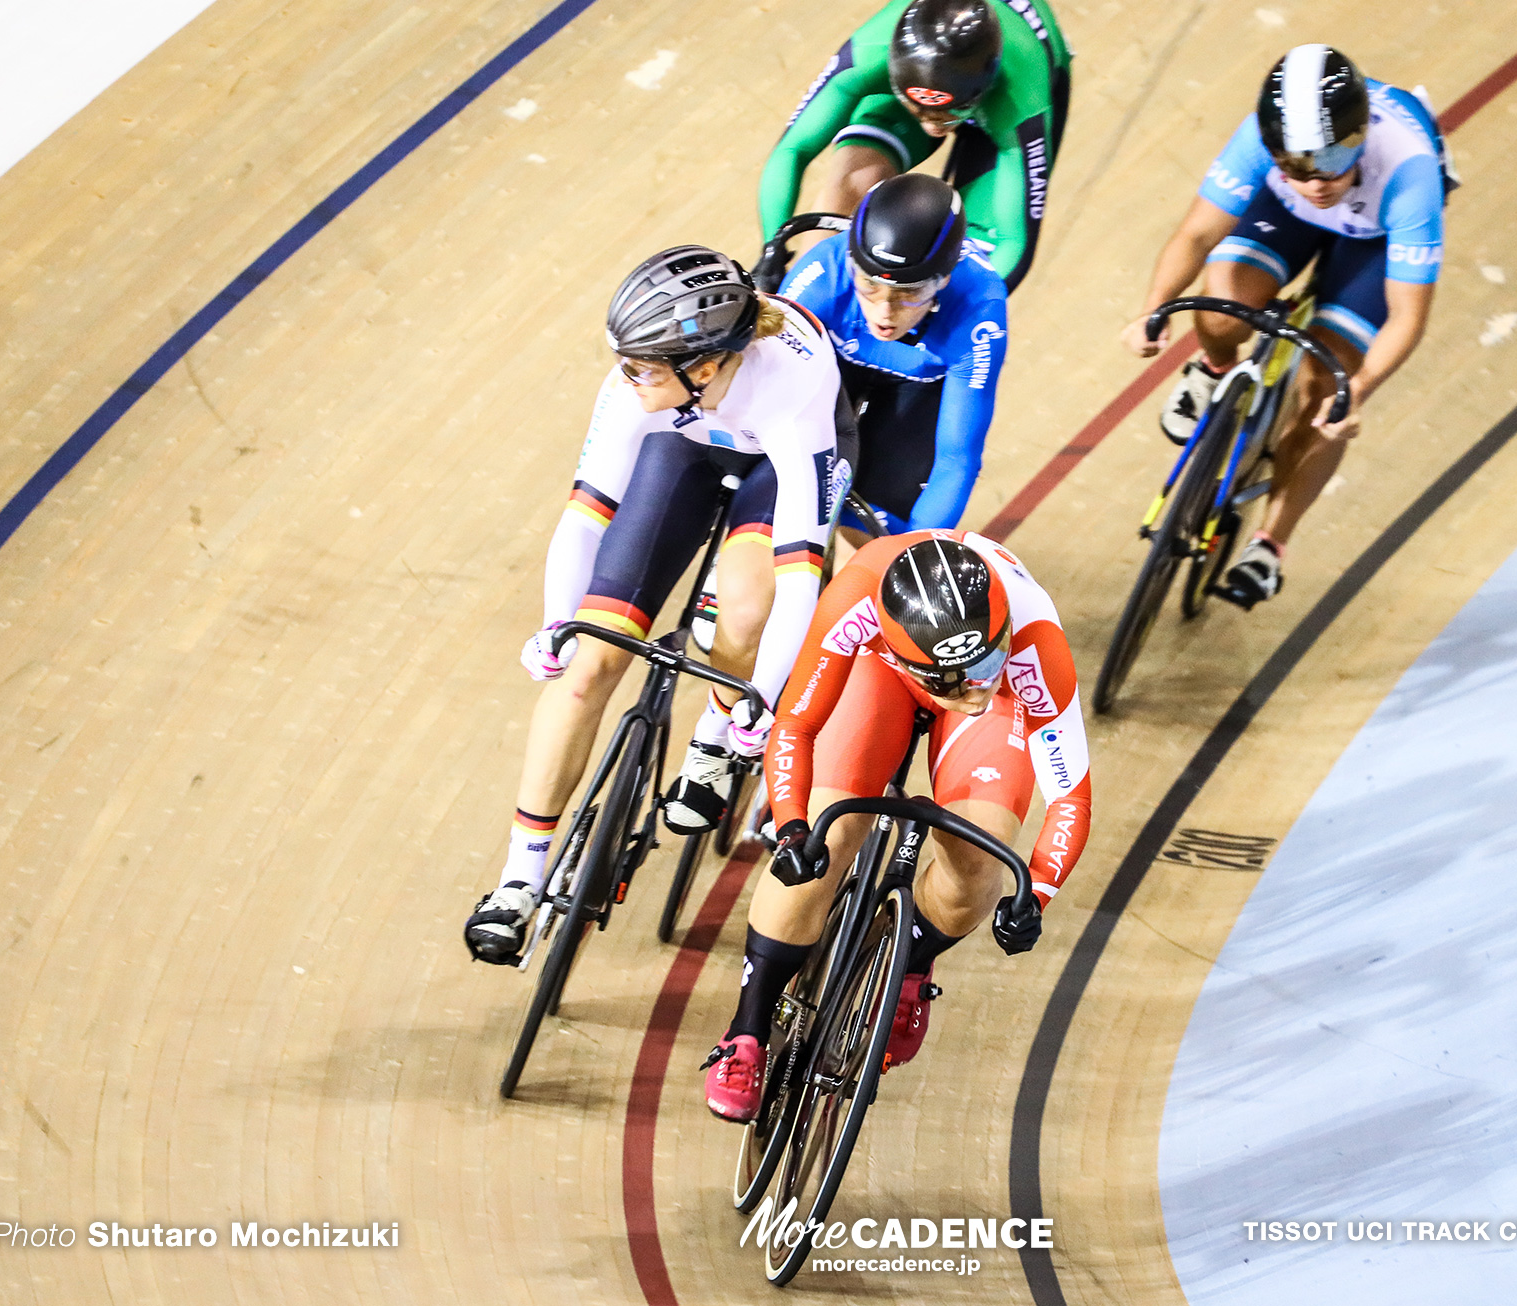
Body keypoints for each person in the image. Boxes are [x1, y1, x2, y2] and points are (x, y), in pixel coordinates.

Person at [464, 246, 851, 963]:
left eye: (641, 365)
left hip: (777, 463)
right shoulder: (642, 384)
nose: (624, 375)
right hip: (683, 441)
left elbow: (799, 578)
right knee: (586, 664)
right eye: (624, 360)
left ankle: (711, 737)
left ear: (703, 365)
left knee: (742, 612)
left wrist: (756, 702)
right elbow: (586, 516)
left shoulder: (791, 394)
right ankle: (521, 876)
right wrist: (557, 625)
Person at [701, 532, 1092, 1122]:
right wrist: (790, 829)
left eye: (984, 662)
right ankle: (747, 1030)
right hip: (879, 670)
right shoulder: (856, 598)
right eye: (953, 680)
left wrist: (1036, 891)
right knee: (823, 844)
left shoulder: (1032, 641)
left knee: (979, 864)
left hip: (998, 693)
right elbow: (796, 728)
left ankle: (910, 960)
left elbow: (1072, 798)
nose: (973, 687)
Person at [1120, 44, 1451, 605]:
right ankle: (1214, 369)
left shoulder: (1411, 174)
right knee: (1216, 306)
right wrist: (1153, 309)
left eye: (1333, 159)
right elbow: (1197, 235)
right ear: (1274, 148)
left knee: (1328, 392)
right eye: (1297, 165)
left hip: (1373, 240)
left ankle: (1271, 544)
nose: (1318, 181)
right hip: (1285, 217)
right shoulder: (1258, 138)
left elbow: (1407, 317)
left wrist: (1359, 391)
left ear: (1361, 134)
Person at [758, 0, 1071, 292]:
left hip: (1012, 94)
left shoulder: (1021, 102)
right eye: (920, 109)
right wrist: (773, 247)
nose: (932, 125)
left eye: (948, 113)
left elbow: (1014, 242)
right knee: (850, 183)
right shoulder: (868, 55)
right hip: (946, 88)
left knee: (973, 263)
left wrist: (936, 306)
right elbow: (792, 150)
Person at [778, 173, 1009, 566]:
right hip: (831, 366)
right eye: (869, 287)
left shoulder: (978, 310)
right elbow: (765, 397)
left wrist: (907, 555)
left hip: (918, 386)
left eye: (910, 293)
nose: (885, 311)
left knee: (866, 551)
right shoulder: (822, 277)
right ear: (851, 265)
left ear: (944, 280)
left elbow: (957, 459)